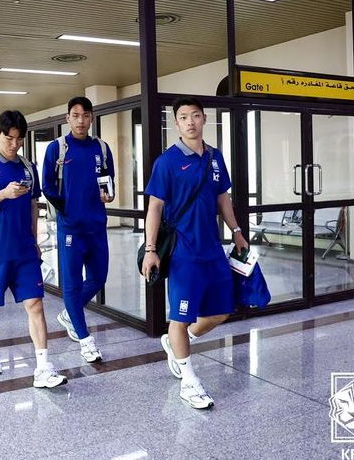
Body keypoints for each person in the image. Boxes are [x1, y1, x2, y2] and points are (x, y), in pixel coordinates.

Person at [141, 97, 249, 409]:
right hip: (182, 253)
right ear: (176, 124)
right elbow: (155, 207)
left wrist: (236, 231)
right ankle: (189, 382)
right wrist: (150, 249)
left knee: (222, 310)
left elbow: (222, 198)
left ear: (204, 119)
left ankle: (178, 341)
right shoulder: (167, 162)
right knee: (180, 316)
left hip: (212, 250)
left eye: (196, 116)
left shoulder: (215, 157)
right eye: (184, 117)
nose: (190, 122)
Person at [0, 110, 66, 389]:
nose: (14, 144)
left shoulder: (28, 167)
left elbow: (33, 205)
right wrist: (2, 194)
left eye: (19, 139)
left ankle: (43, 367)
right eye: (9, 138)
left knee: (35, 305)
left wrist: (35, 240)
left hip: (24, 252)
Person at [42, 96, 114, 364]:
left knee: (98, 277)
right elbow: (47, 185)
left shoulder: (101, 148)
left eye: (85, 115)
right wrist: (66, 210)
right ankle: (85, 340)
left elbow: (108, 180)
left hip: (96, 226)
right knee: (72, 284)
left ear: (91, 118)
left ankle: (69, 314)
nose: (81, 120)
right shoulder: (57, 148)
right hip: (70, 228)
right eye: (75, 115)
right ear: (67, 118)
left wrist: (108, 194)